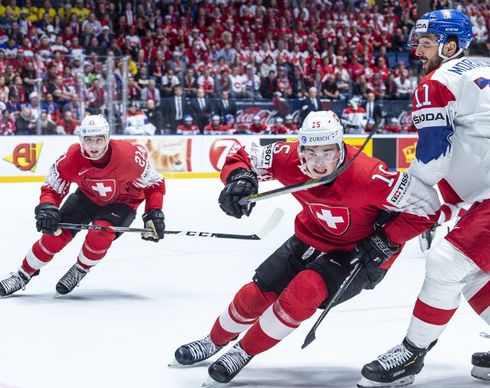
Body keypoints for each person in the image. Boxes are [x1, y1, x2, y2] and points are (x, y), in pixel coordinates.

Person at [358, 9, 490, 387]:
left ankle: (411, 353)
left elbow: (434, 154)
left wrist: (409, 197)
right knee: (467, 267)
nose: (418, 52)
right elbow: (476, 146)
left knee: (445, 262)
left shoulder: (434, 84)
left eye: (427, 44)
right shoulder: (488, 69)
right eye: (417, 43)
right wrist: (440, 201)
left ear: (451, 45)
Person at [169, 110, 440, 385]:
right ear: (300, 149)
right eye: (311, 152)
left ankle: (242, 352)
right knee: (255, 294)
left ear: (340, 148)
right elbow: (242, 156)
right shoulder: (286, 158)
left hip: (361, 253)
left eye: (327, 152)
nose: (319, 163)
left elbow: (429, 208)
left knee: (303, 293)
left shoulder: (370, 176)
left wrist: (387, 238)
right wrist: (239, 178)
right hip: (311, 237)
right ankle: (213, 340)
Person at [0, 114, 166, 297]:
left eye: (99, 140)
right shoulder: (71, 158)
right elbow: (52, 187)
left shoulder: (129, 157)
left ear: (107, 139)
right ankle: (22, 275)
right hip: (86, 198)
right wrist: (47, 207)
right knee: (54, 236)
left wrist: (153, 212)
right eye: (88, 140)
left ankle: (80, 268)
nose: (94, 146)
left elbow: (155, 184)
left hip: (123, 202)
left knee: (99, 234)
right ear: (81, 140)